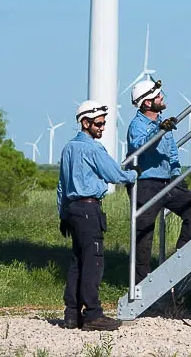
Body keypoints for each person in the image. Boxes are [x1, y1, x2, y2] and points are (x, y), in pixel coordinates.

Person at [58, 100, 139, 331]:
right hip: (88, 209)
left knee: (77, 262)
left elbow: (62, 186)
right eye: (98, 124)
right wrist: (133, 175)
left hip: (72, 210)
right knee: (93, 261)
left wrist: (63, 214)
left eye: (103, 123)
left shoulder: (68, 148)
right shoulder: (93, 149)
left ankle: (71, 314)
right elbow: (113, 174)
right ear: (85, 123)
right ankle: (93, 314)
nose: (102, 128)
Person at [127, 77, 191, 284]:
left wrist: (177, 176)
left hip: (167, 182)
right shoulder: (137, 125)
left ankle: (185, 252)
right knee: (144, 234)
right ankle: (141, 285)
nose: (162, 97)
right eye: (157, 96)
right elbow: (140, 146)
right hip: (145, 183)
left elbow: (172, 154)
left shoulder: (164, 123)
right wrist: (159, 130)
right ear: (146, 102)